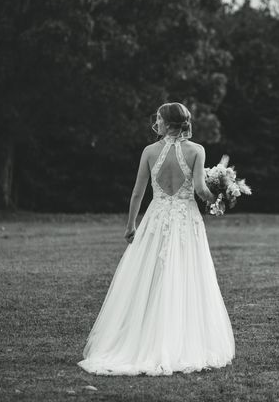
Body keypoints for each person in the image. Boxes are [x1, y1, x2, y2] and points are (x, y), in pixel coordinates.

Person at [77, 102, 235, 376]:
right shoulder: (196, 150)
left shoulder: (150, 152)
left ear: (169, 123)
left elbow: (138, 192)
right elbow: (199, 189)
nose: (156, 124)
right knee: (185, 275)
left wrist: (131, 224)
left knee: (151, 276)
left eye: (159, 119)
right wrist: (219, 198)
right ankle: (179, 342)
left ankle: (146, 340)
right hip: (186, 220)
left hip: (157, 219)